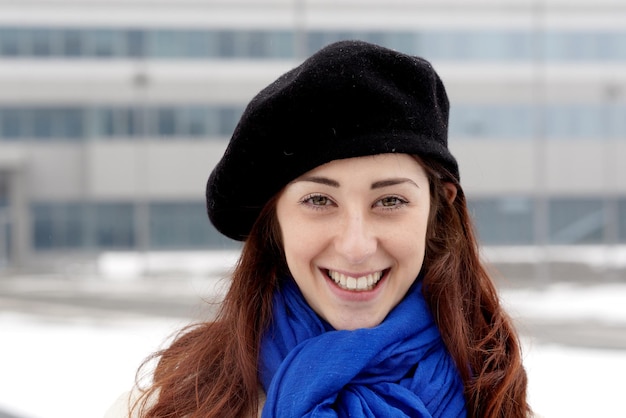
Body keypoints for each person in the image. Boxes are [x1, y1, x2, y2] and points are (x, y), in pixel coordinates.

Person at [106, 40, 531, 418]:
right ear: (274, 222)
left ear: (436, 213)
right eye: (319, 201)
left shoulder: (496, 400)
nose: (356, 246)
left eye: (390, 201)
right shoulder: (171, 406)